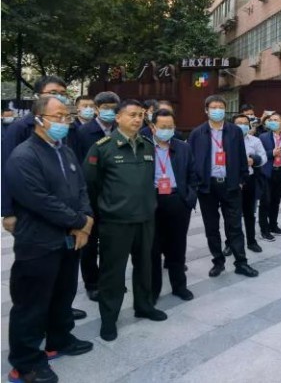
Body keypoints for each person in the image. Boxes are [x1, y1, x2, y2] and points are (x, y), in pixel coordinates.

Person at [6, 96, 95, 383]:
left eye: (67, 116)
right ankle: (26, 363)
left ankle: (60, 339)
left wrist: (85, 219)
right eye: (57, 116)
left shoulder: (65, 151)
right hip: (38, 242)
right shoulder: (24, 156)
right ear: (38, 119)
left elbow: (80, 188)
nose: (64, 122)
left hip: (68, 240)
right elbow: (40, 200)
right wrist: (79, 222)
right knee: (31, 304)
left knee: (63, 294)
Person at [1, 76, 88, 322]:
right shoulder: (21, 133)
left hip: (67, 219)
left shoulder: (66, 134)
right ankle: (33, 332)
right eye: (53, 92)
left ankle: (60, 320)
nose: (59, 96)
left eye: (63, 93)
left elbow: (77, 178)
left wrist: (84, 216)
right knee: (35, 283)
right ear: (39, 97)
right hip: (36, 219)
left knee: (63, 278)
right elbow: (8, 171)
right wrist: (7, 210)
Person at [83, 99, 168, 342]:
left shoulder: (147, 146)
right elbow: (91, 185)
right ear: (118, 117)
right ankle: (109, 318)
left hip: (145, 218)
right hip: (116, 222)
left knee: (145, 267)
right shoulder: (102, 148)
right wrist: (102, 212)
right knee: (112, 272)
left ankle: (144, 305)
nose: (137, 119)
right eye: (132, 114)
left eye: (140, 115)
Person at [187, 95, 258, 279]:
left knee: (235, 226)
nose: (217, 110)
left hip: (230, 185)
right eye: (213, 107)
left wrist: (241, 180)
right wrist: (196, 183)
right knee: (211, 228)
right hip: (207, 187)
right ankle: (218, 262)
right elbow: (191, 160)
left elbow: (241, 157)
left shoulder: (234, 131)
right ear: (206, 110)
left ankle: (241, 262)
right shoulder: (197, 133)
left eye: (220, 107)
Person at [73, 91, 121, 302]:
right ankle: (92, 283)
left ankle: (109, 280)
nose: (109, 112)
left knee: (112, 242)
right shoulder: (83, 132)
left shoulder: (121, 129)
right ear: (96, 109)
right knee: (90, 244)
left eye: (113, 108)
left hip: (115, 195)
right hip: (91, 195)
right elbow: (76, 164)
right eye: (105, 108)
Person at [148, 109, 199, 302]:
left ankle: (179, 286)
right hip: (152, 202)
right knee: (152, 249)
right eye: (162, 127)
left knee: (177, 246)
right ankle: (153, 290)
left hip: (178, 200)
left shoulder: (183, 147)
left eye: (170, 126)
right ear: (153, 127)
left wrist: (189, 198)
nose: (166, 130)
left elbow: (193, 175)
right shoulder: (144, 148)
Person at [223, 114, 267, 255]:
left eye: (244, 123)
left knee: (249, 213)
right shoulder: (225, 140)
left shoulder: (255, 141)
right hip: (231, 181)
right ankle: (230, 243)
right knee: (231, 214)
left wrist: (254, 160)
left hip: (249, 180)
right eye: (238, 123)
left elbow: (264, 157)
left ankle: (251, 241)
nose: (242, 126)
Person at [259, 112, 281, 241]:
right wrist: (271, 153)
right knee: (265, 202)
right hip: (267, 172)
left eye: (275, 120)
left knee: (276, 201)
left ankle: (273, 225)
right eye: (271, 120)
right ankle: (264, 230)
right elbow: (259, 155)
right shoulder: (263, 137)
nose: (272, 122)